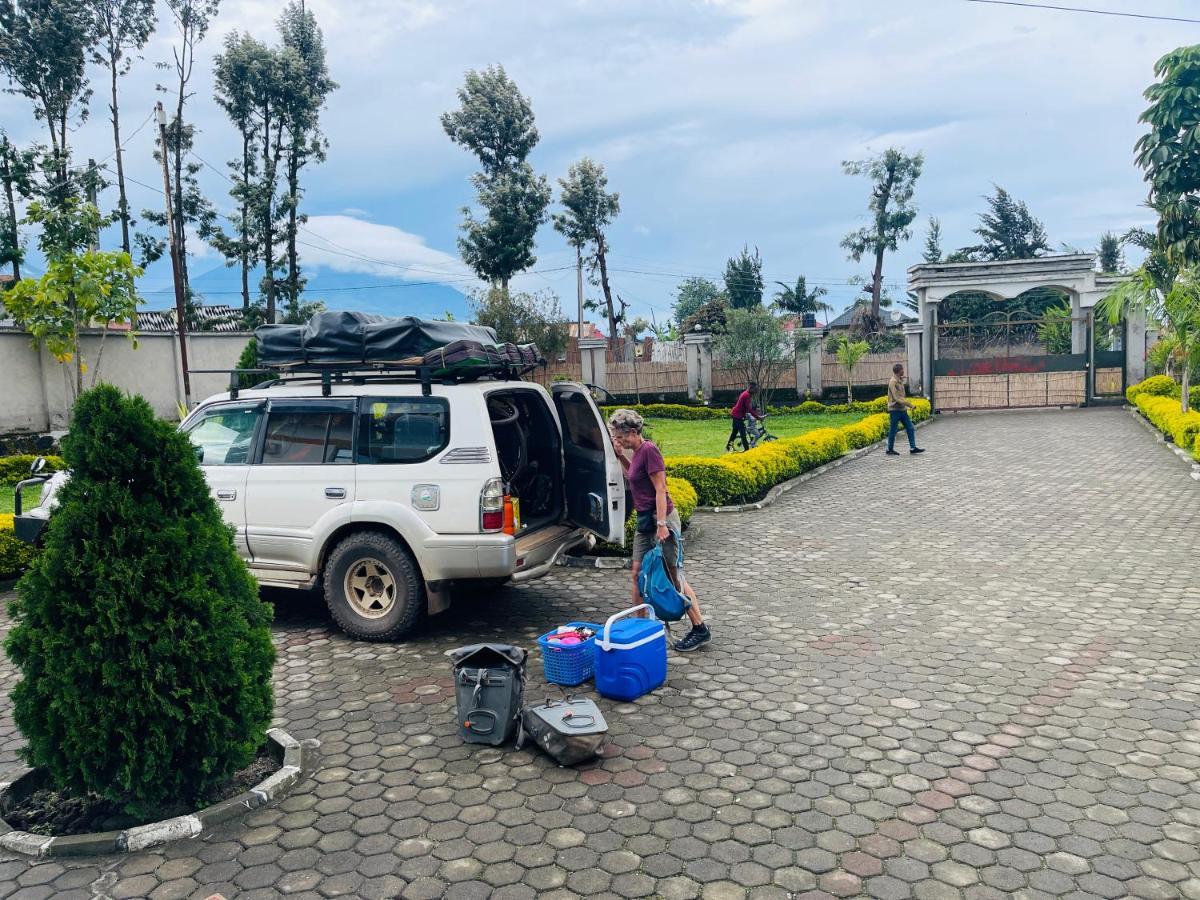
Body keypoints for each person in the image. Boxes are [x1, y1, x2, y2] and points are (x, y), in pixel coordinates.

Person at [608, 409, 712, 652]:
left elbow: (660, 489)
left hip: (661, 520)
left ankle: (700, 629)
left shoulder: (650, 451)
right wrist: (620, 456)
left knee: (672, 577)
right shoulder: (636, 453)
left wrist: (662, 524)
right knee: (636, 574)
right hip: (645, 522)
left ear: (633, 432)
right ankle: (640, 629)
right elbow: (634, 476)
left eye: (619, 436)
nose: (617, 439)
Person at [887, 363, 925, 456]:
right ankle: (890, 449)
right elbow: (897, 398)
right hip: (895, 409)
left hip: (902, 409)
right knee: (893, 430)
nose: (903, 371)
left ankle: (913, 448)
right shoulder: (893, 382)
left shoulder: (899, 380)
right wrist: (910, 405)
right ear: (899, 371)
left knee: (910, 428)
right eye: (902, 369)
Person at [726, 382, 763, 452]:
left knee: (734, 432)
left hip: (736, 415)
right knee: (743, 434)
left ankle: (728, 447)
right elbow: (748, 409)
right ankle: (746, 450)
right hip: (737, 416)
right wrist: (758, 417)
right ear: (751, 388)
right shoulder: (746, 395)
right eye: (755, 390)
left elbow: (747, 408)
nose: (756, 392)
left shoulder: (746, 394)